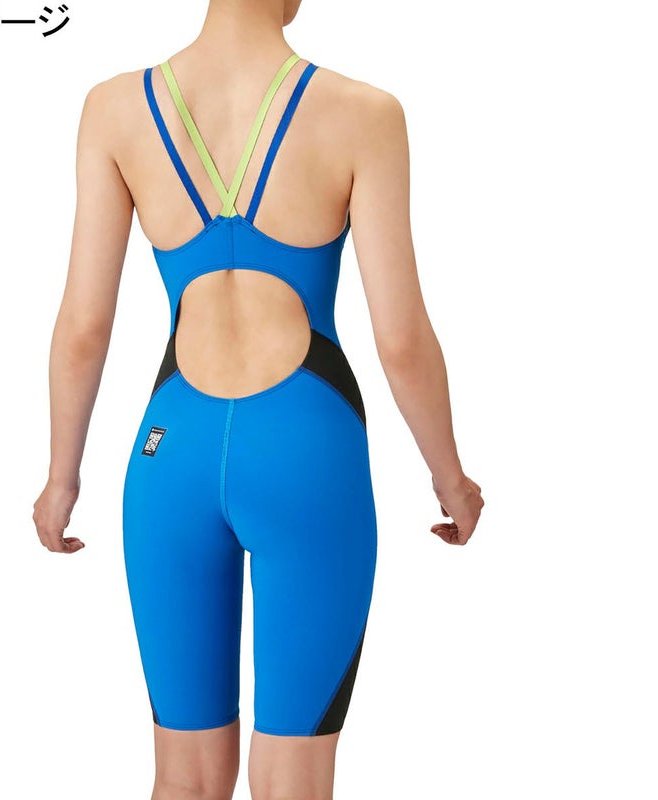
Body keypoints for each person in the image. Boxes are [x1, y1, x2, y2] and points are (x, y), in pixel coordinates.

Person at [32, 0, 484, 797]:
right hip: (306, 449)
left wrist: (61, 478)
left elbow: (82, 328)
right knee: (293, 783)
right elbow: (402, 340)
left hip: (171, 453)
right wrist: (451, 478)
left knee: (185, 779)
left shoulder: (113, 109)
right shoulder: (365, 114)